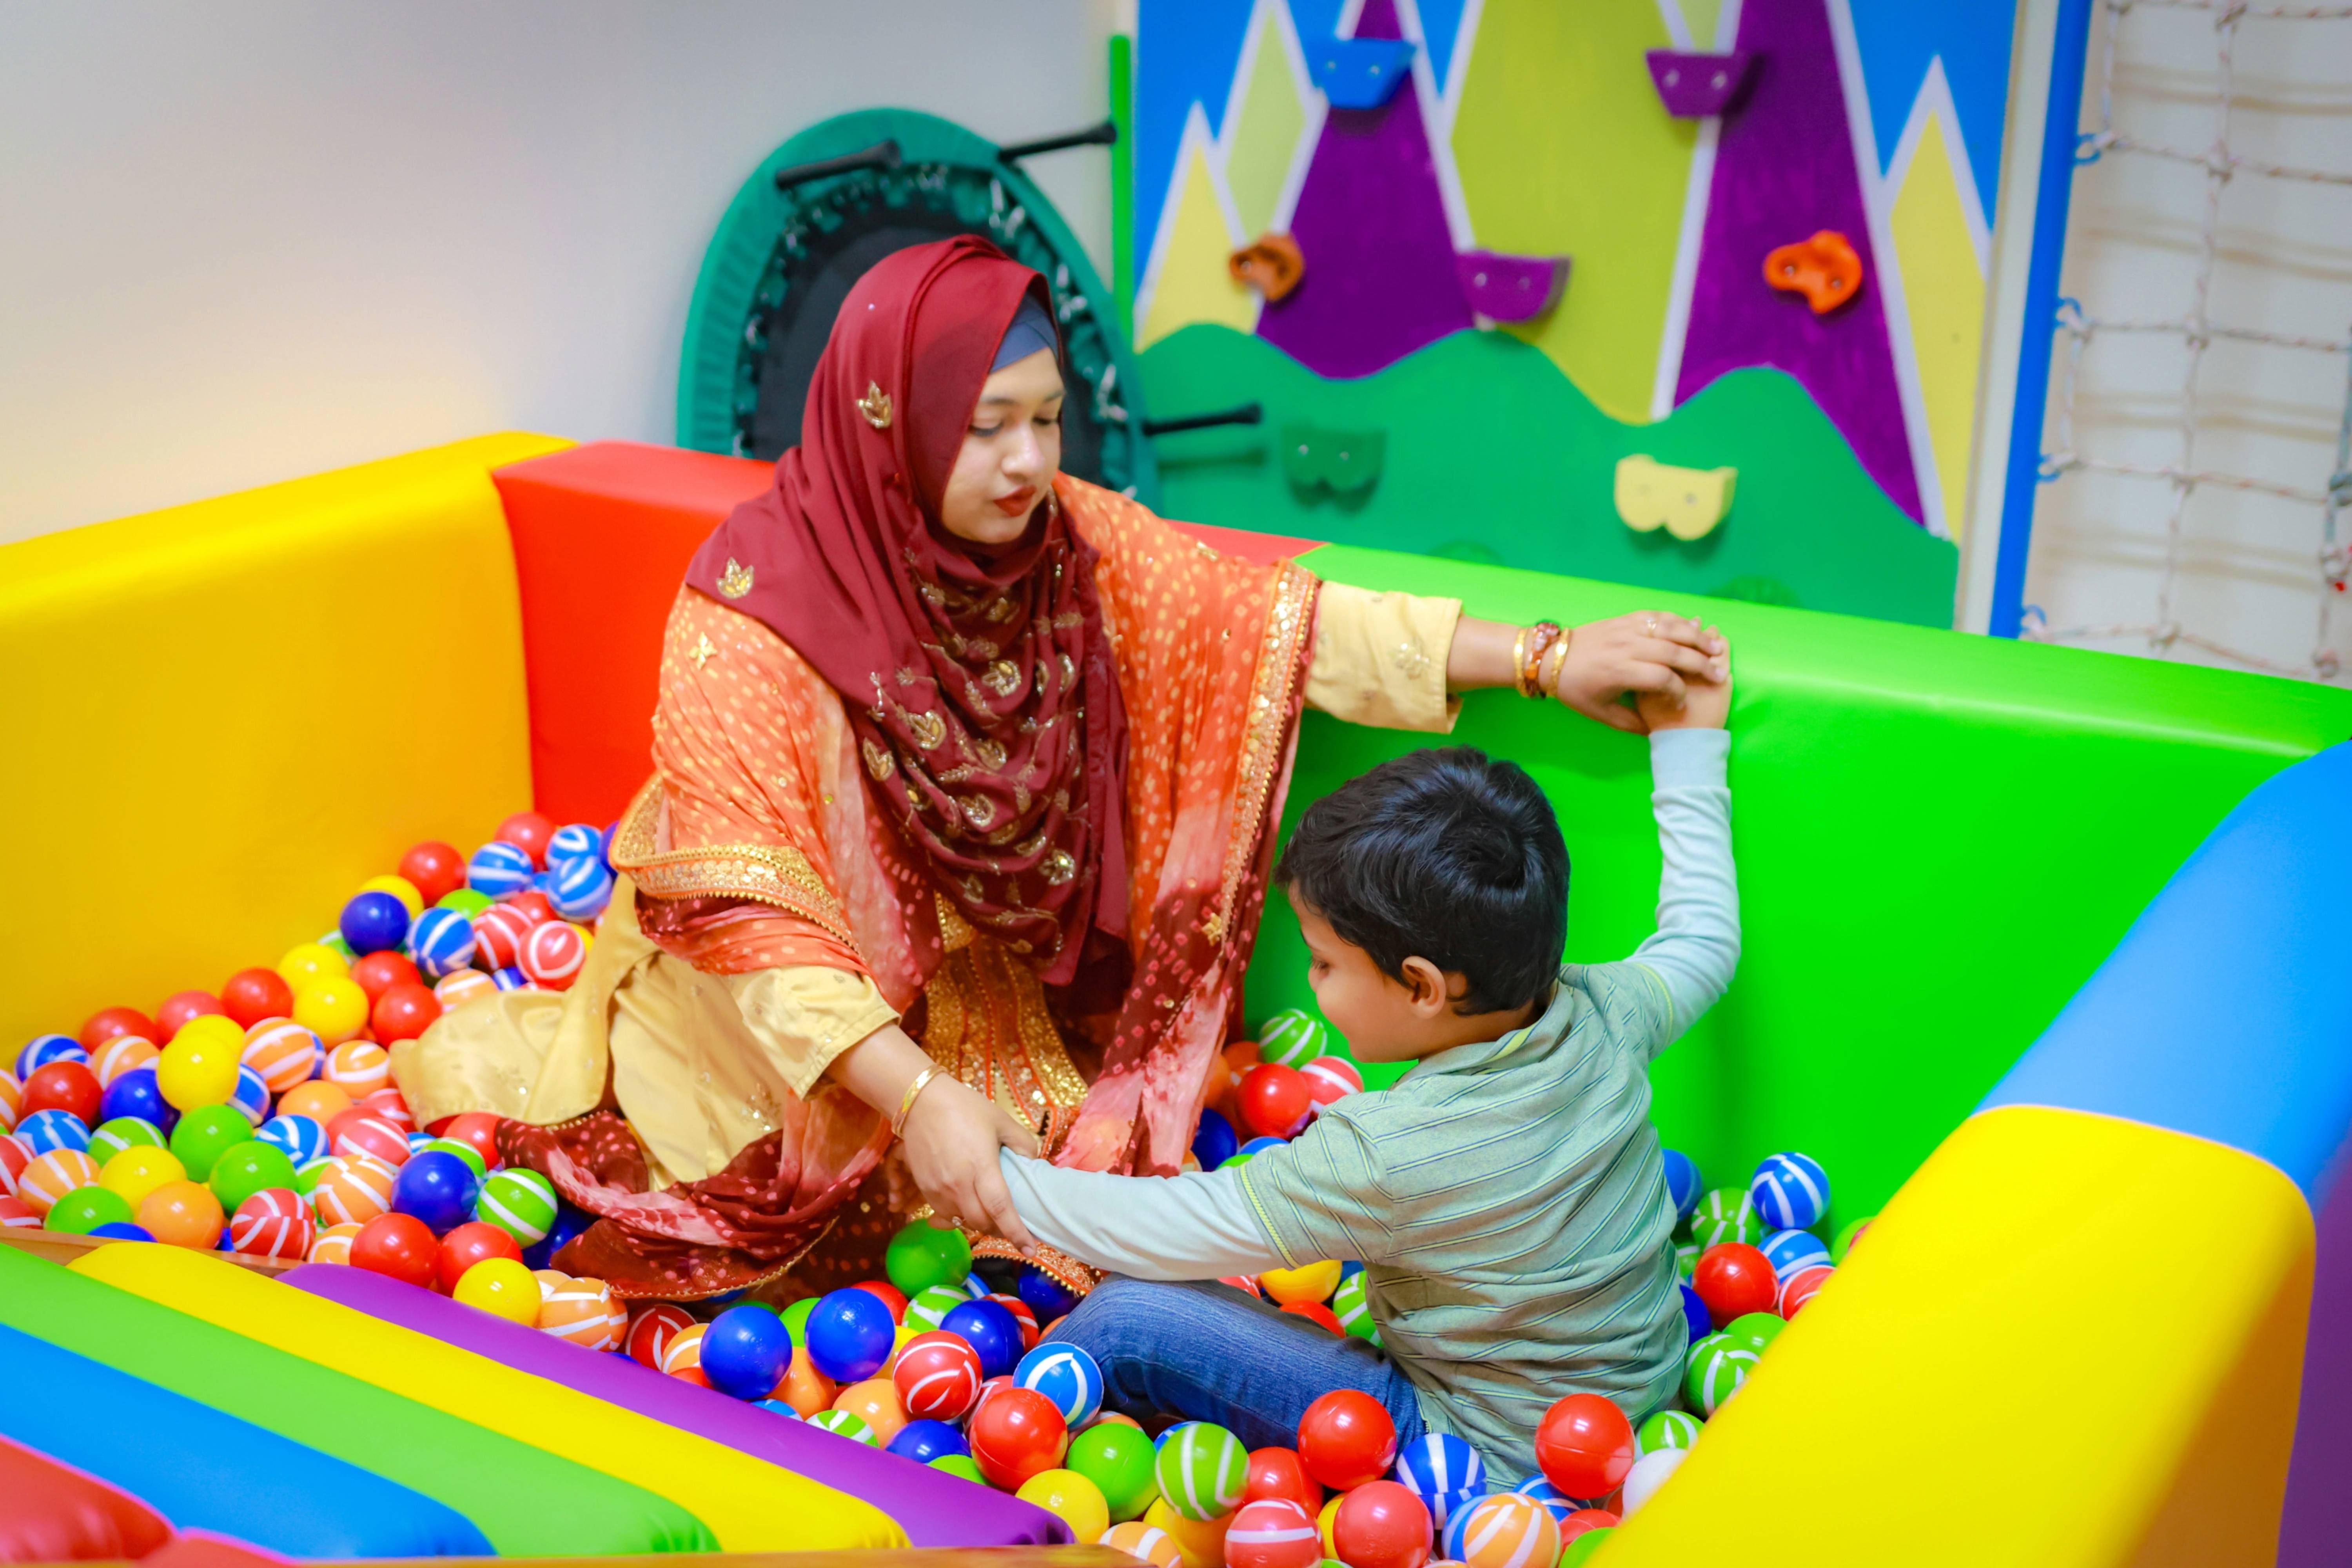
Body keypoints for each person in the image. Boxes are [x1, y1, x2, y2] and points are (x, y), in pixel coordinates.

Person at [390, 234, 1727, 1304]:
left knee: (1043, 1199)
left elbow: (1273, 629)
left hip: (993, 998)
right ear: (887, 418)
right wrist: (914, 1098)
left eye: (1046, 419)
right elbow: (757, 922)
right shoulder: (749, 611)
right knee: (761, 1226)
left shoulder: (1069, 545)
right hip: (782, 1032)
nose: (1031, 462)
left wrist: (1550, 658)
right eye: (983, 427)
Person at [996, 656, 1738, 1482]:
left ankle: (996, 1456)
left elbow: (1174, 1224)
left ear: (1421, 985)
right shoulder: (1609, 1012)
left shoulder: (1383, 1155)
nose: (1313, 986)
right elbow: (1704, 938)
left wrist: (990, 1181)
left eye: (1323, 962)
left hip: (1474, 1460)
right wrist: (1690, 736)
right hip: (1644, 1403)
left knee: (1126, 1317)